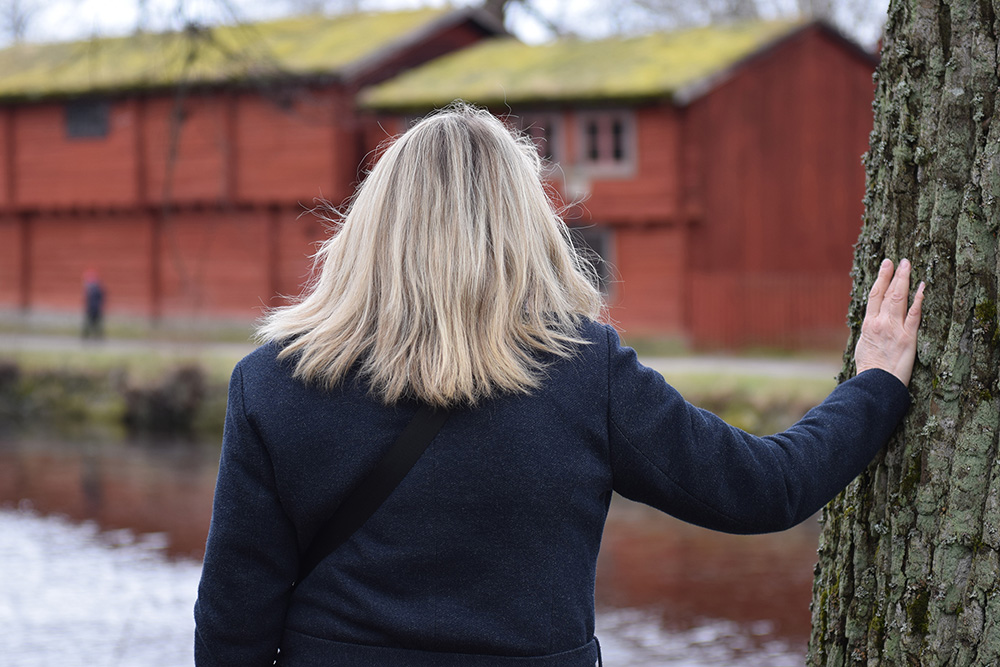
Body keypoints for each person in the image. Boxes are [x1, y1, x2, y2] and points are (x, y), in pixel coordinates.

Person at [194, 104, 924, 667]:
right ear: (523, 226)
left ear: (371, 226)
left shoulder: (272, 384)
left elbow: (232, 631)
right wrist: (877, 383)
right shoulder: (584, 374)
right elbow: (766, 488)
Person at [81, 269, 105, 340]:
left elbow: (100, 299)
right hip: (92, 309)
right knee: (91, 324)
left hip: (94, 309)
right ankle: (89, 337)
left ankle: (96, 337)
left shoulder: (95, 288)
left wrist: (97, 307)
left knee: (94, 324)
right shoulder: (91, 288)